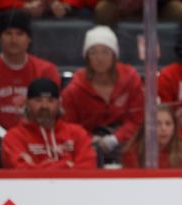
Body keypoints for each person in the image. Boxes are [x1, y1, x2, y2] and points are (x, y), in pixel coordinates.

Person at [61, 25, 144, 168]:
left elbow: (138, 118)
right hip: (88, 144)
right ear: (86, 56)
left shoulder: (131, 79)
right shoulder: (74, 90)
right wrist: (90, 140)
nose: (100, 58)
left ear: (114, 55)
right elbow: (69, 125)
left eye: (105, 52)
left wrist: (116, 138)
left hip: (128, 141)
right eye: (93, 52)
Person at [0, 10, 60, 140]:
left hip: (37, 138)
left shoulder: (46, 70)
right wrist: (11, 139)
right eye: (8, 33)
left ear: (29, 39)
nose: (13, 40)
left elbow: (50, 115)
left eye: (20, 34)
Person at [1, 77, 97, 169]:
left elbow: (88, 168)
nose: (44, 106)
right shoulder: (14, 137)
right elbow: (20, 171)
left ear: (59, 103)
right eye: (38, 100)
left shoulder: (78, 134)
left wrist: (37, 167)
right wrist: (66, 165)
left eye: (50, 101)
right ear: (27, 103)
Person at [133, 104, 182, 168]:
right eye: (157, 124)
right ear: (148, 127)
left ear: (174, 128)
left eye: (168, 124)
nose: (163, 128)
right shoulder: (134, 152)